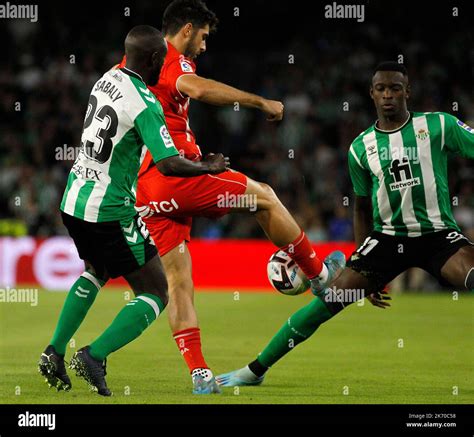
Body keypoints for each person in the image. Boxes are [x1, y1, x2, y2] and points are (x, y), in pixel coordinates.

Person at [120, 0, 345, 394]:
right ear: (186, 29)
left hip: (146, 188)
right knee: (265, 197)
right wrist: (261, 102)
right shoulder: (172, 60)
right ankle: (319, 277)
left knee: (178, 283)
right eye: (203, 36)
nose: (204, 46)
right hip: (176, 177)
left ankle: (200, 375)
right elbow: (199, 88)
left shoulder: (136, 65)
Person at [216, 61, 474, 387]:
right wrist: (361, 259)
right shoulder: (360, 148)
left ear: (407, 91)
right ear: (372, 94)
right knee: (325, 305)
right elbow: (362, 208)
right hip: (386, 239)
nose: (388, 95)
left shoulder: (439, 125)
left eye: (395, 88)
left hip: (439, 236)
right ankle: (255, 370)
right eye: (381, 89)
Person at [38, 25, 229, 396]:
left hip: (74, 199)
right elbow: (170, 163)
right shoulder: (145, 102)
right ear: (156, 59)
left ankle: (54, 351)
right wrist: (208, 166)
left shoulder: (106, 79)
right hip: (109, 210)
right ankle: (94, 355)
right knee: (157, 290)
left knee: (97, 270)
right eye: (163, 60)